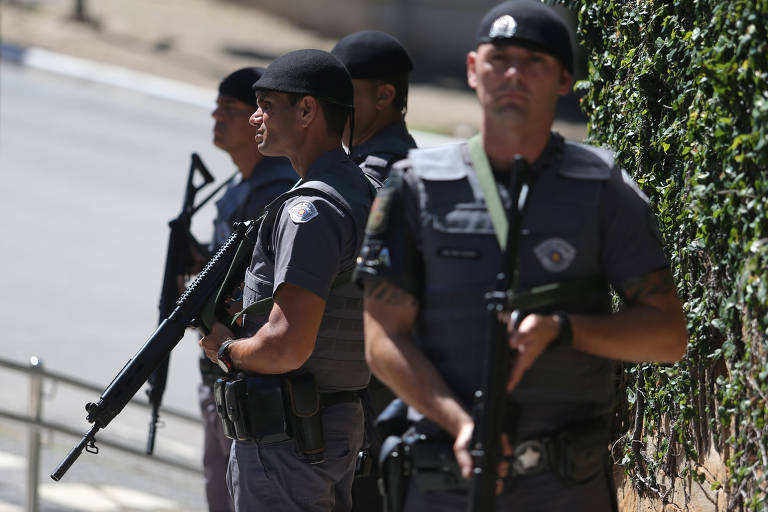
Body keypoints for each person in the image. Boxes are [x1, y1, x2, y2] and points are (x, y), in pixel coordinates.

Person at [354, 1, 689, 511]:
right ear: (472, 69)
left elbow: (668, 337)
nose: (514, 73)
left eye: (535, 62)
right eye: (500, 57)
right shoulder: (417, 185)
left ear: (564, 81)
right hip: (445, 480)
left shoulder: (603, 190)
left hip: (563, 487)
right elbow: (381, 340)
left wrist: (564, 330)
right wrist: (461, 424)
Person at [199, 49, 375, 512]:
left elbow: (285, 345)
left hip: (287, 443)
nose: (256, 117)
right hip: (319, 429)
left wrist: (225, 349)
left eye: (266, 105)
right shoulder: (359, 188)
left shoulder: (309, 212)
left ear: (307, 110)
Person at [199, 66, 297, 512]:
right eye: (217, 106)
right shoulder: (238, 186)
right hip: (220, 362)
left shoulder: (276, 194)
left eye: (232, 109)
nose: (218, 116)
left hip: (244, 369)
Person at [331, 29, 418, 511]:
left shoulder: (383, 176)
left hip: (371, 400)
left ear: (384, 95)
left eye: (343, 90)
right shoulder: (368, 166)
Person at [331, 30, 417, 184]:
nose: (330, 103)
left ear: (383, 96)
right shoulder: (407, 159)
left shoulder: (371, 178)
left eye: (341, 91)